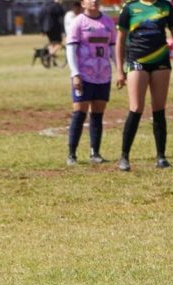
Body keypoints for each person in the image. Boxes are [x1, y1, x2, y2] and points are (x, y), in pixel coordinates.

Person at [115, 0, 173, 171]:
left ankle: (161, 157)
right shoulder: (130, 8)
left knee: (159, 109)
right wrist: (119, 70)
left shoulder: (165, 6)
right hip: (137, 61)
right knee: (136, 108)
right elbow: (120, 40)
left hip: (161, 61)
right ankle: (124, 157)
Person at [65, 0, 116, 165]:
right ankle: (72, 154)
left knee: (97, 115)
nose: (94, 1)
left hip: (103, 75)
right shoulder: (78, 22)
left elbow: (113, 48)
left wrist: (121, 70)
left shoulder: (108, 21)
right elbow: (71, 49)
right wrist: (75, 74)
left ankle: (95, 153)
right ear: (83, 3)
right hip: (84, 76)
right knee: (79, 113)